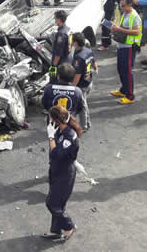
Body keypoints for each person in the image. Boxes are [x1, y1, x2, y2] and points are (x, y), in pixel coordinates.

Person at [43, 105, 81, 243]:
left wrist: (50, 137)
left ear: (56, 120)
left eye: (50, 118)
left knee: (52, 203)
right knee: (58, 203)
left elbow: (55, 153)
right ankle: (55, 230)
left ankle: (69, 226)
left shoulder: (68, 135)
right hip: (57, 169)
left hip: (65, 174)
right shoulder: (60, 129)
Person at [110, 0, 141, 105]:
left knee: (127, 71)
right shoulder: (125, 14)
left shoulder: (134, 16)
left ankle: (130, 95)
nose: (121, 7)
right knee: (121, 69)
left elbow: (137, 32)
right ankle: (123, 90)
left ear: (130, 4)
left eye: (123, 6)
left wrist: (119, 29)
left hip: (129, 47)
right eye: (120, 5)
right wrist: (115, 28)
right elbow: (123, 28)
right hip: (122, 45)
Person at [69, 32, 96, 131]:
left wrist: (72, 88)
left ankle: (84, 126)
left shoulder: (78, 58)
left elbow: (77, 75)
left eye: (72, 41)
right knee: (84, 103)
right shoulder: (88, 50)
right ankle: (87, 123)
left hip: (82, 85)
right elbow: (94, 63)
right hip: (89, 81)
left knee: (82, 106)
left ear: (76, 43)